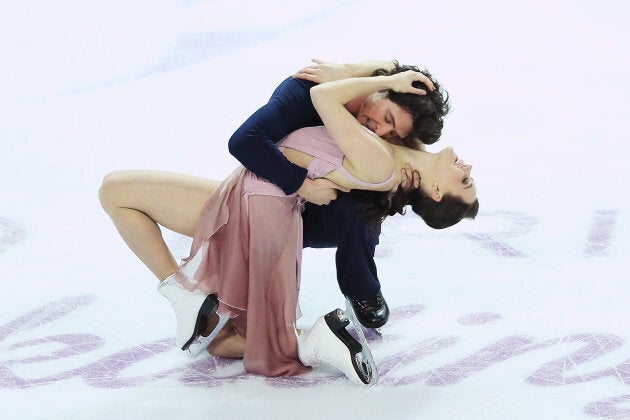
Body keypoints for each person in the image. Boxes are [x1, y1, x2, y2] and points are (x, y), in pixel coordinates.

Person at [99, 70, 478, 386]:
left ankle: (193, 298)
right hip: (261, 195)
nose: (469, 170)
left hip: (258, 200)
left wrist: (382, 71)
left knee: (116, 190)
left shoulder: (380, 159)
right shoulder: (400, 147)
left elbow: (323, 97)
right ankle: (312, 341)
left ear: (438, 191)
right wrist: (388, 77)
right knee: (224, 341)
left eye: (464, 183)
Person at [229, 59, 451, 331]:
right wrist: (303, 185)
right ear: (381, 88)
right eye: (388, 119)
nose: (380, 131)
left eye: (393, 133)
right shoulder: (302, 93)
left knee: (371, 203)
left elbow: (394, 70)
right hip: (269, 200)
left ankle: (361, 288)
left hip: (317, 204)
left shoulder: (381, 108)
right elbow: (243, 141)